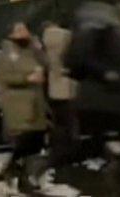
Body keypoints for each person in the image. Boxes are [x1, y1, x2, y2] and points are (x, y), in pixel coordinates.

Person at [58, 2, 120, 196]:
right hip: (102, 101)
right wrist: (105, 73)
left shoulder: (109, 33)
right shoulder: (94, 34)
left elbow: (74, 63)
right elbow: (75, 63)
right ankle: (118, 181)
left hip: (111, 100)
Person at [0, 20, 49, 193]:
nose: (23, 32)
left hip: (35, 105)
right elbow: (4, 77)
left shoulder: (32, 49)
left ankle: (18, 174)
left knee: (35, 143)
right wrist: (28, 78)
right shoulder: (6, 53)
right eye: (18, 30)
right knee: (28, 141)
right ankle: (14, 169)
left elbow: (46, 63)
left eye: (24, 29)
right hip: (19, 107)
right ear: (11, 34)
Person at [41, 22, 77, 163]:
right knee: (71, 121)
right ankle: (73, 149)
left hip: (53, 87)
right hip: (68, 85)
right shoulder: (67, 36)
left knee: (58, 122)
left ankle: (61, 151)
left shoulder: (44, 42)